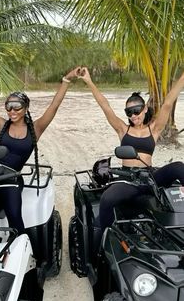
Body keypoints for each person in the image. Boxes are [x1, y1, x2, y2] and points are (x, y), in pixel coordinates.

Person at [0, 66, 81, 234]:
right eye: (8, 106)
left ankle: (26, 252)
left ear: (26, 108)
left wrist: (67, 79)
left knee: (15, 218)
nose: (12, 111)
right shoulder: (1, 125)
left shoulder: (36, 128)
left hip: (11, 178)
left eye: (16, 106)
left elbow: (55, 105)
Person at [78, 66, 184, 232]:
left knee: (178, 167)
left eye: (137, 110)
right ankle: (102, 239)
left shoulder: (154, 129)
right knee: (107, 198)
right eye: (129, 112)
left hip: (150, 178)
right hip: (129, 179)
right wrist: (89, 81)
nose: (134, 116)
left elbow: (168, 103)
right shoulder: (123, 129)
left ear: (145, 109)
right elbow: (105, 106)